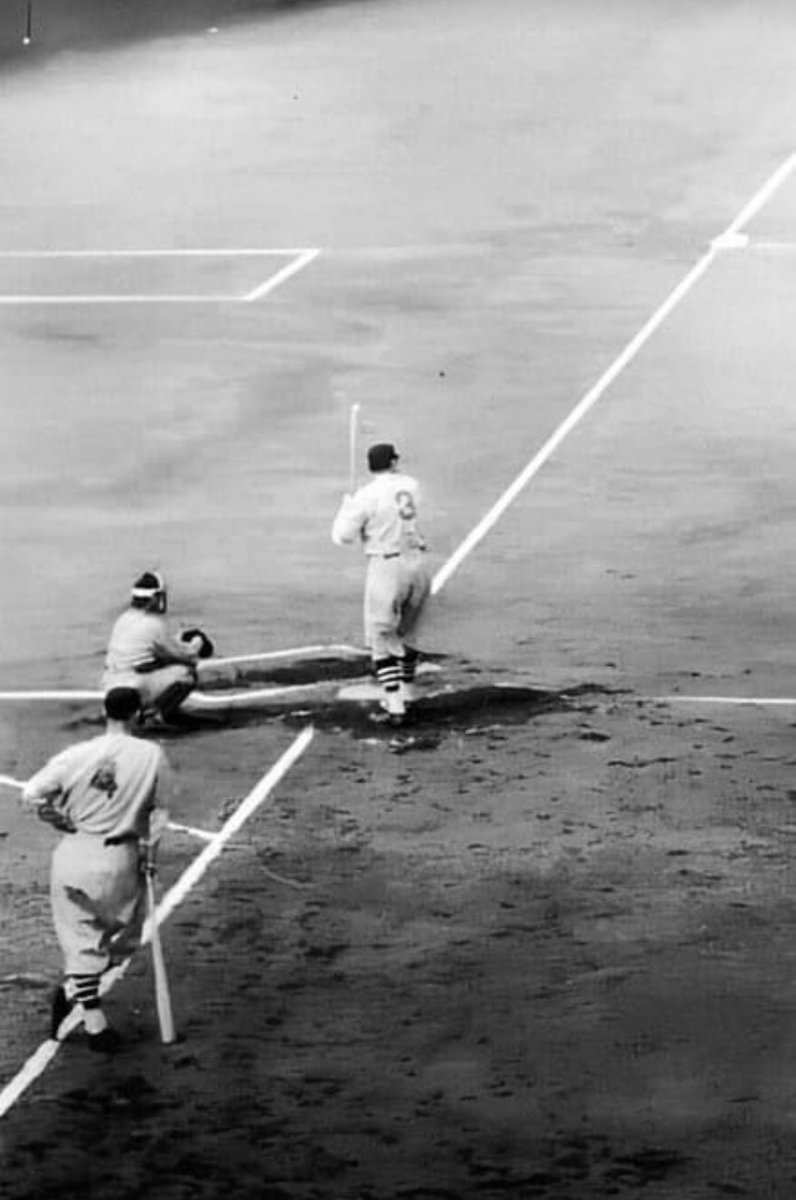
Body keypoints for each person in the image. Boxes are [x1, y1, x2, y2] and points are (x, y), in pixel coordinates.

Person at [21, 686, 173, 1052]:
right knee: (121, 941)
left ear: (107, 713)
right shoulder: (153, 755)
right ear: (137, 714)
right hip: (123, 861)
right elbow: (160, 810)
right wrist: (152, 854)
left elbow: (32, 793)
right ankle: (94, 1023)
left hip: (75, 857)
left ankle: (74, 989)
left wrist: (54, 815)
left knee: (84, 941)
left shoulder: (76, 755)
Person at [332, 442, 431, 722]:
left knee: (380, 637)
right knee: (409, 632)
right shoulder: (412, 485)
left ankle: (396, 706)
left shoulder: (365, 496)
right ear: (394, 462)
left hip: (386, 567)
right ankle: (409, 691)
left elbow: (342, 537)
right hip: (418, 562)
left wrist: (346, 508)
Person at [102, 570, 212, 727]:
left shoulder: (124, 619)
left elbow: (153, 648)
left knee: (167, 667)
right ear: (154, 598)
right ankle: (155, 715)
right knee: (186, 674)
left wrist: (177, 641)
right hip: (133, 685)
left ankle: (145, 710)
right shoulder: (153, 623)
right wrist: (197, 642)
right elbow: (186, 657)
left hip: (111, 683)